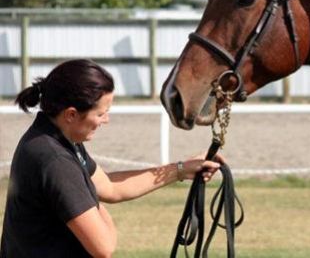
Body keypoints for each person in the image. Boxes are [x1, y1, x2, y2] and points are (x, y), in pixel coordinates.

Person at [0, 59, 221, 258]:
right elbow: (103, 247)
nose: (106, 120)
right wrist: (96, 205)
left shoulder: (53, 138)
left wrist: (180, 170)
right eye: (100, 113)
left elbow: (109, 187)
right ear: (71, 114)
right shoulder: (56, 161)